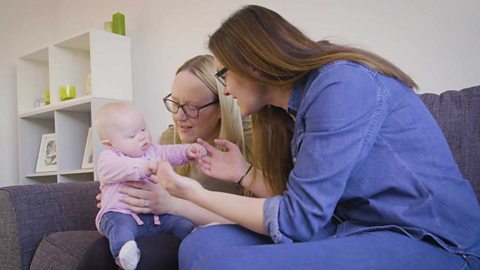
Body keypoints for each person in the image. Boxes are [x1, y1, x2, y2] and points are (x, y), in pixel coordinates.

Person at [155, 5, 480, 270]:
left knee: (222, 265)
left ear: (253, 65)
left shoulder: (342, 86)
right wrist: (242, 172)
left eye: (225, 74)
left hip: (429, 238)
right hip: (351, 228)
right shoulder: (291, 110)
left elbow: (295, 220)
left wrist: (191, 194)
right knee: (200, 243)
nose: (225, 88)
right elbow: (305, 203)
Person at [78, 55, 261, 269]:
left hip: (217, 233)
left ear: (221, 106)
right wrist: (123, 198)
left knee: (146, 258)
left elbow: (264, 220)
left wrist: (171, 204)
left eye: (191, 107)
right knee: (101, 251)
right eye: (174, 103)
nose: (179, 117)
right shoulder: (168, 140)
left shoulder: (251, 142)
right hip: (164, 225)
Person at [93, 101, 206, 270]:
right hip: (121, 212)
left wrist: (187, 152)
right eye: (132, 136)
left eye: (143, 129)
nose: (142, 136)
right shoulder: (108, 158)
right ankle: (125, 251)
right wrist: (144, 167)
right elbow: (119, 168)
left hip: (154, 215)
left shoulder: (151, 150)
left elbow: (169, 152)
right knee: (120, 228)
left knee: (178, 222)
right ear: (110, 144)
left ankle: (195, 234)